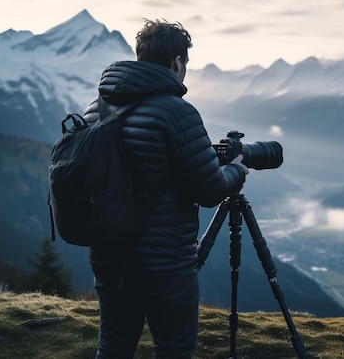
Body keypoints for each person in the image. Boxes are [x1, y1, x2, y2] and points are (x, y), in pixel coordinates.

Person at [83, 19, 249, 358]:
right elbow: (209, 190)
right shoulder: (177, 113)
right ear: (177, 62)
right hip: (165, 264)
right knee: (174, 349)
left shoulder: (96, 108)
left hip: (109, 256)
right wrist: (237, 170)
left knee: (113, 347)